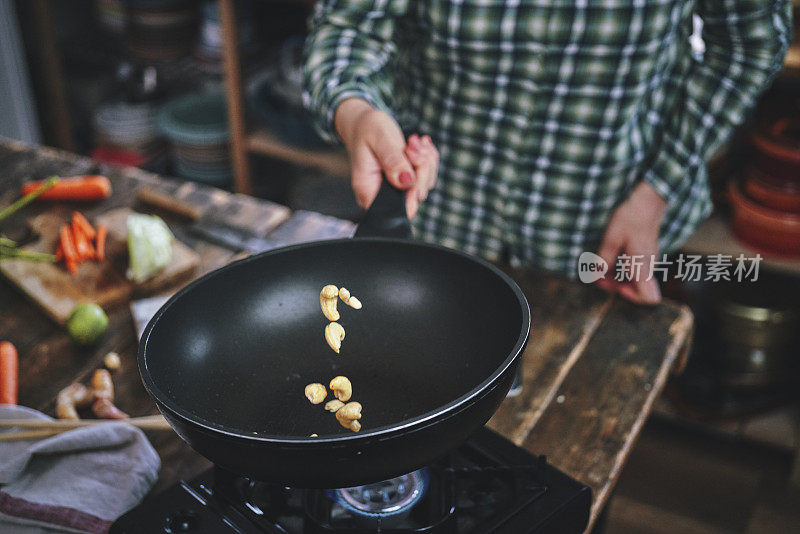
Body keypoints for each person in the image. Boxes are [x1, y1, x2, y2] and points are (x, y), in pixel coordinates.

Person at [304, 0, 792, 304]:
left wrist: (656, 190)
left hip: (606, 227)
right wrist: (357, 113)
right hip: (440, 213)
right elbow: (349, 25)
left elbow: (749, 43)